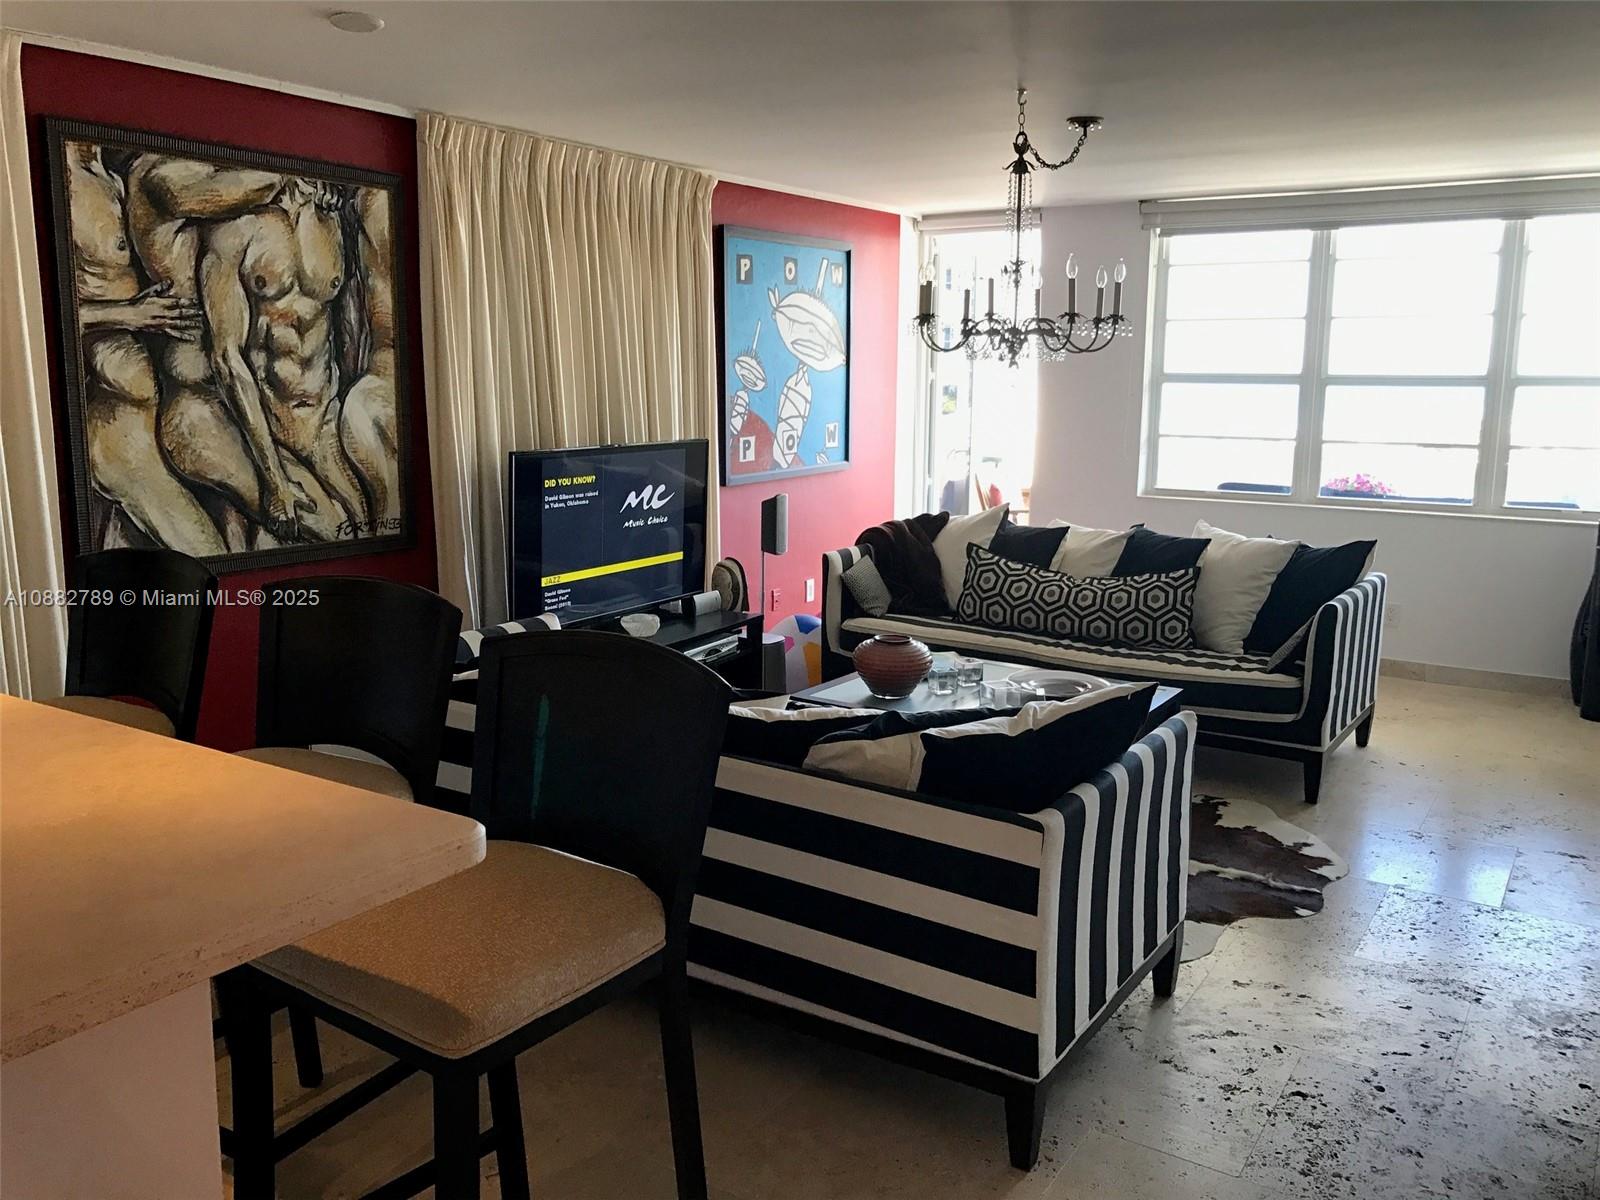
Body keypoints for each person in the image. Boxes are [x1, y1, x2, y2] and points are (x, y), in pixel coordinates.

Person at [63, 141, 221, 554]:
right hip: (116, 420)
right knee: (209, 560)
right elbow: (32, 313)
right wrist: (130, 315)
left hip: (145, 411)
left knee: (129, 588)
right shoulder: (65, 183)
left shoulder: (110, 176)